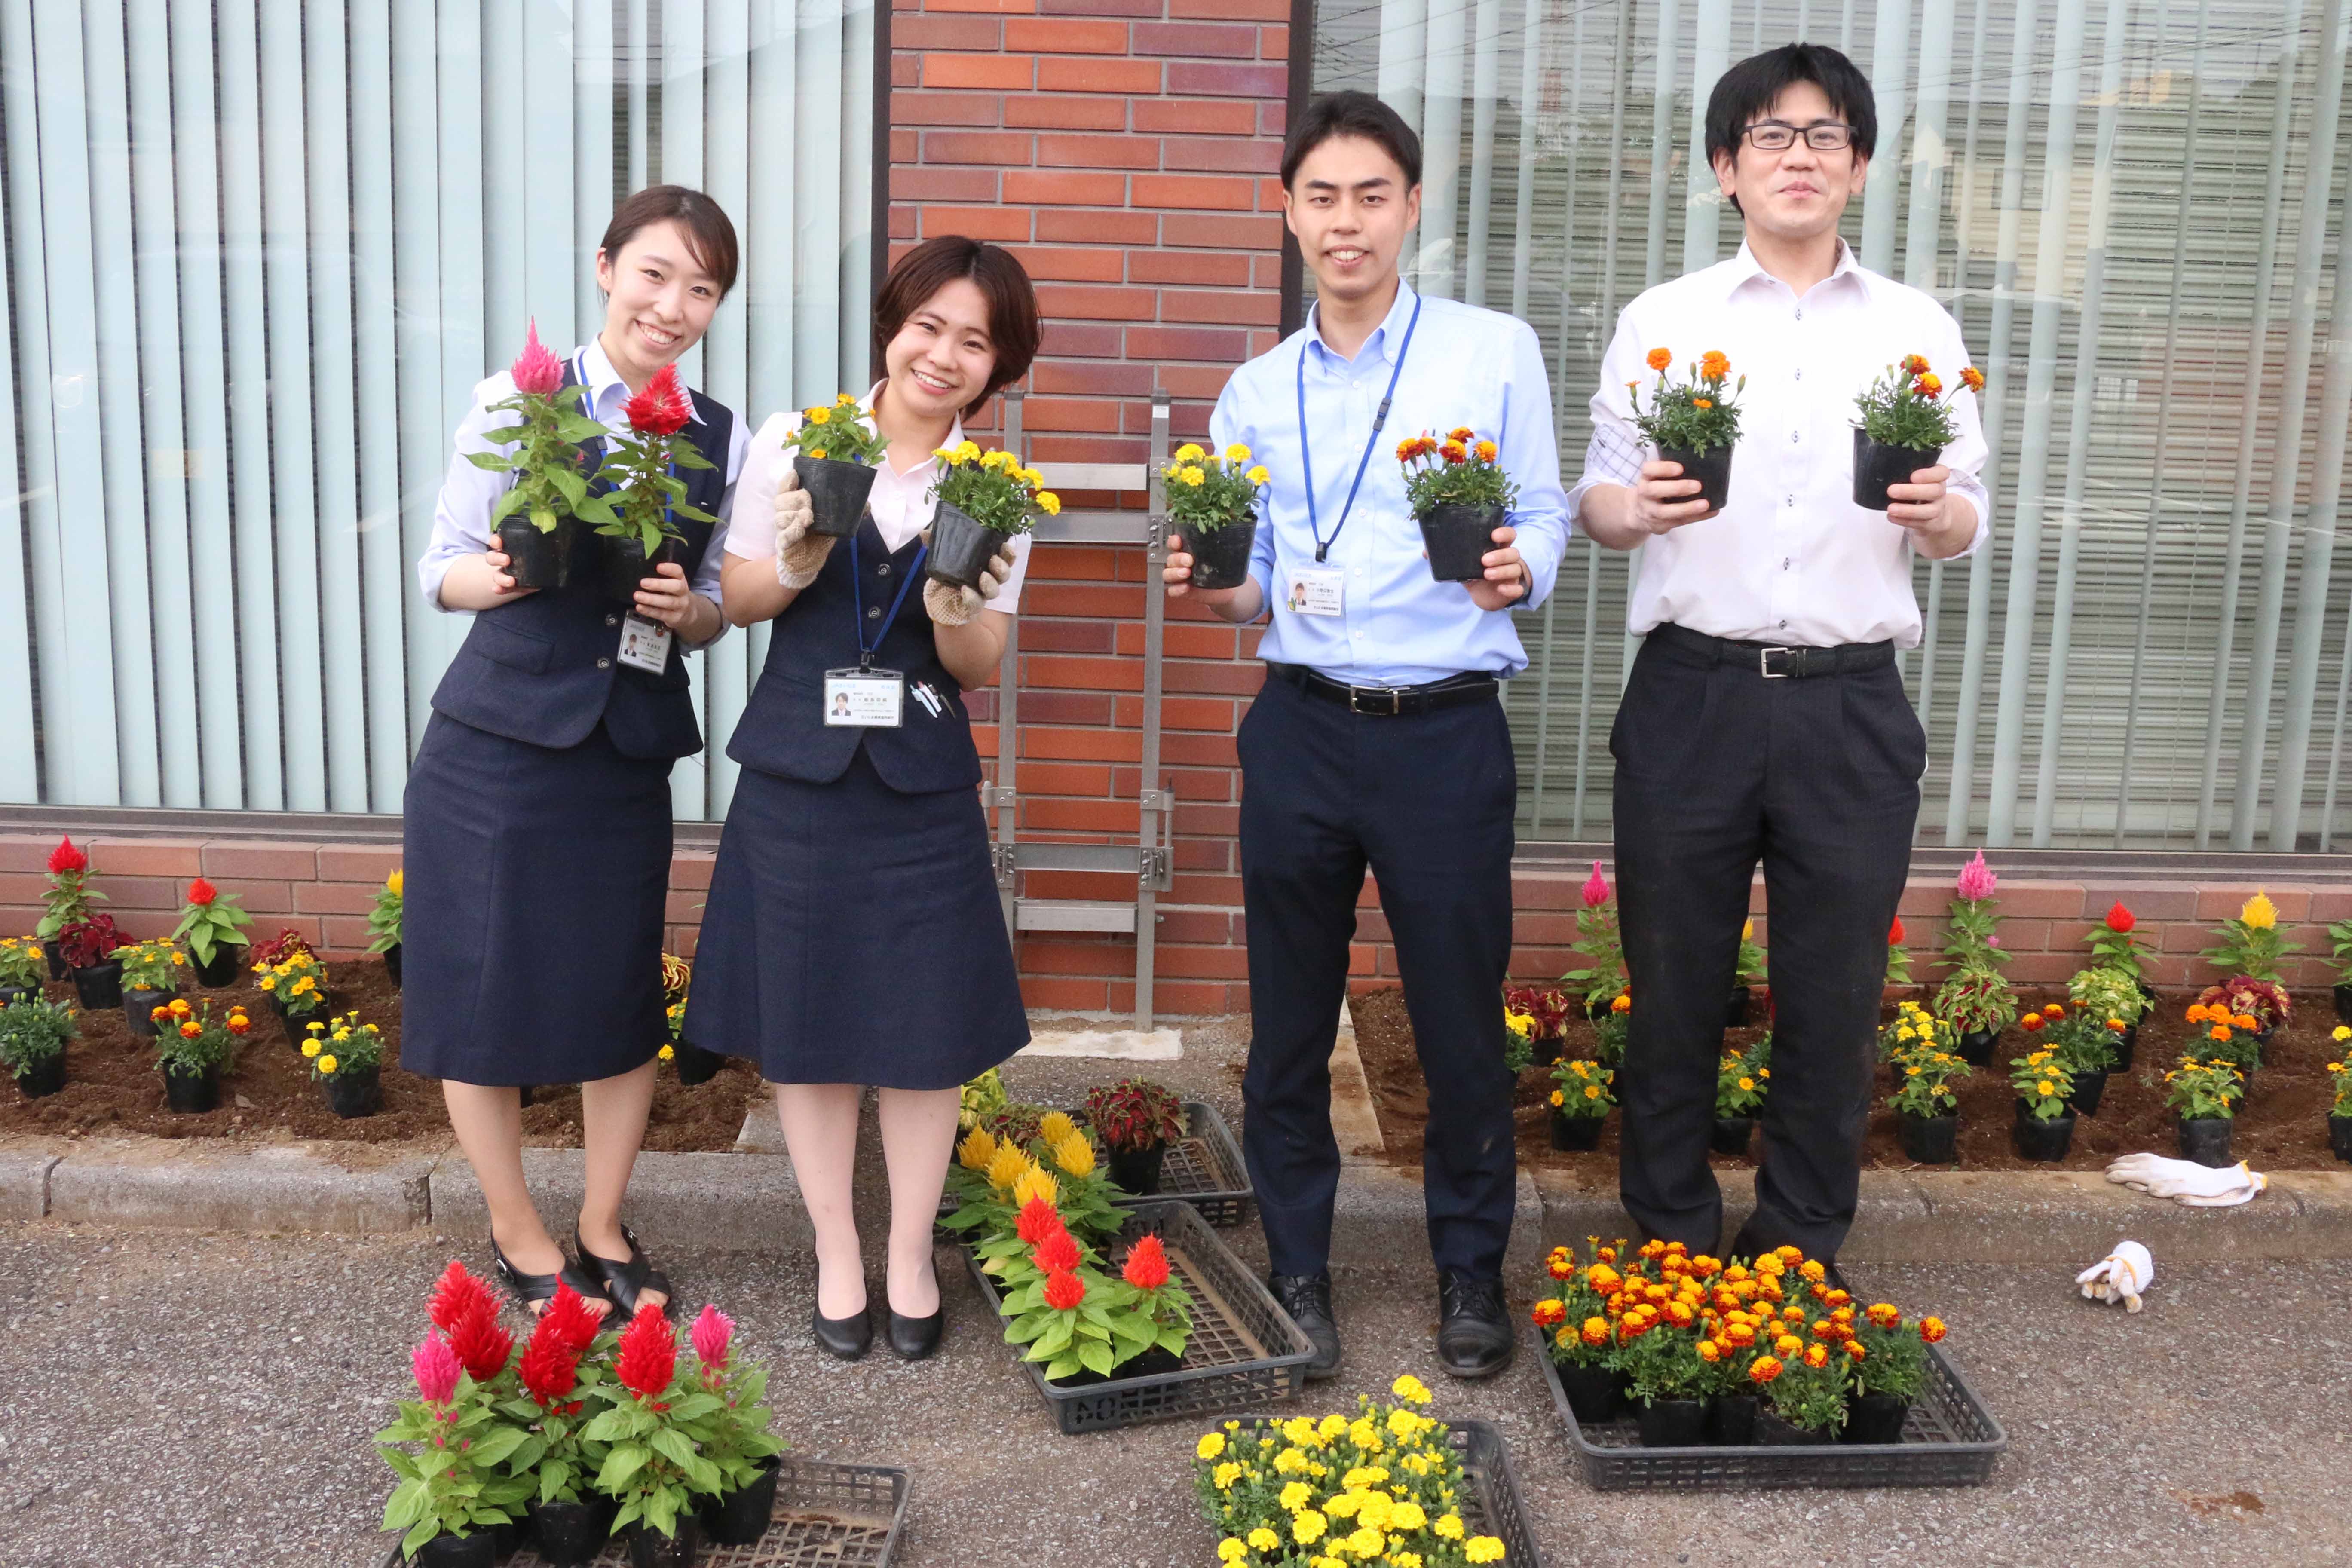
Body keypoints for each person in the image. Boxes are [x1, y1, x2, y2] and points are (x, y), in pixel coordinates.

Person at [1164, 92, 1568, 1380]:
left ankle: (1468, 1273)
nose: (1347, 222)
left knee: (1457, 1022)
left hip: (1446, 737)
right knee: (1288, 1024)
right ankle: (1300, 1269)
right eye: (1322, 197)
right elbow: (1255, 584)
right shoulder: (1253, 389)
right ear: (1287, 212)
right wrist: (1213, 582)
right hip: (1302, 731)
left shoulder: (1491, 351)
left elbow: (1545, 509)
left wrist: (1522, 569)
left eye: (1371, 195)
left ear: (1410, 206)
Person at [1570, 43, 1990, 1266]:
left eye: (1822, 136)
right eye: (1770, 136)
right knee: (1675, 986)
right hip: (1692, 694)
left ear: (1858, 166)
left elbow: (1967, 517)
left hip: (1851, 707)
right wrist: (1635, 507)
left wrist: (1939, 516)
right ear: (1724, 169)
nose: (1796, 157)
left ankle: (1801, 1243)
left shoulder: (1917, 326)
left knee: (1832, 998)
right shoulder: (1665, 322)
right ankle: (1671, 1240)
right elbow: (1595, 503)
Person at [684, 236, 1042, 1362]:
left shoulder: (994, 492)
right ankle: (839, 1249)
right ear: (892, 323)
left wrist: (950, 607)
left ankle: (908, 1252)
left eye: (973, 342)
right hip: (798, 776)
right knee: (810, 1026)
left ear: (997, 369)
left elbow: (981, 662)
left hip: (921, 785)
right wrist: (793, 559)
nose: (943, 355)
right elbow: (737, 597)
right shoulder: (802, 442)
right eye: (928, 326)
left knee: (926, 1036)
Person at [404, 185, 750, 1320]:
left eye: (702, 288)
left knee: (615, 995)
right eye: (656, 274)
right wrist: (502, 575)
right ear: (607, 268)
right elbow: (441, 567)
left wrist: (690, 610)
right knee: (485, 986)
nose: (675, 305)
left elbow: (711, 601)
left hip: (622, 754)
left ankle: (604, 1218)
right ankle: (519, 1228)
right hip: (497, 747)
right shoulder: (523, 402)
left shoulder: (719, 434)